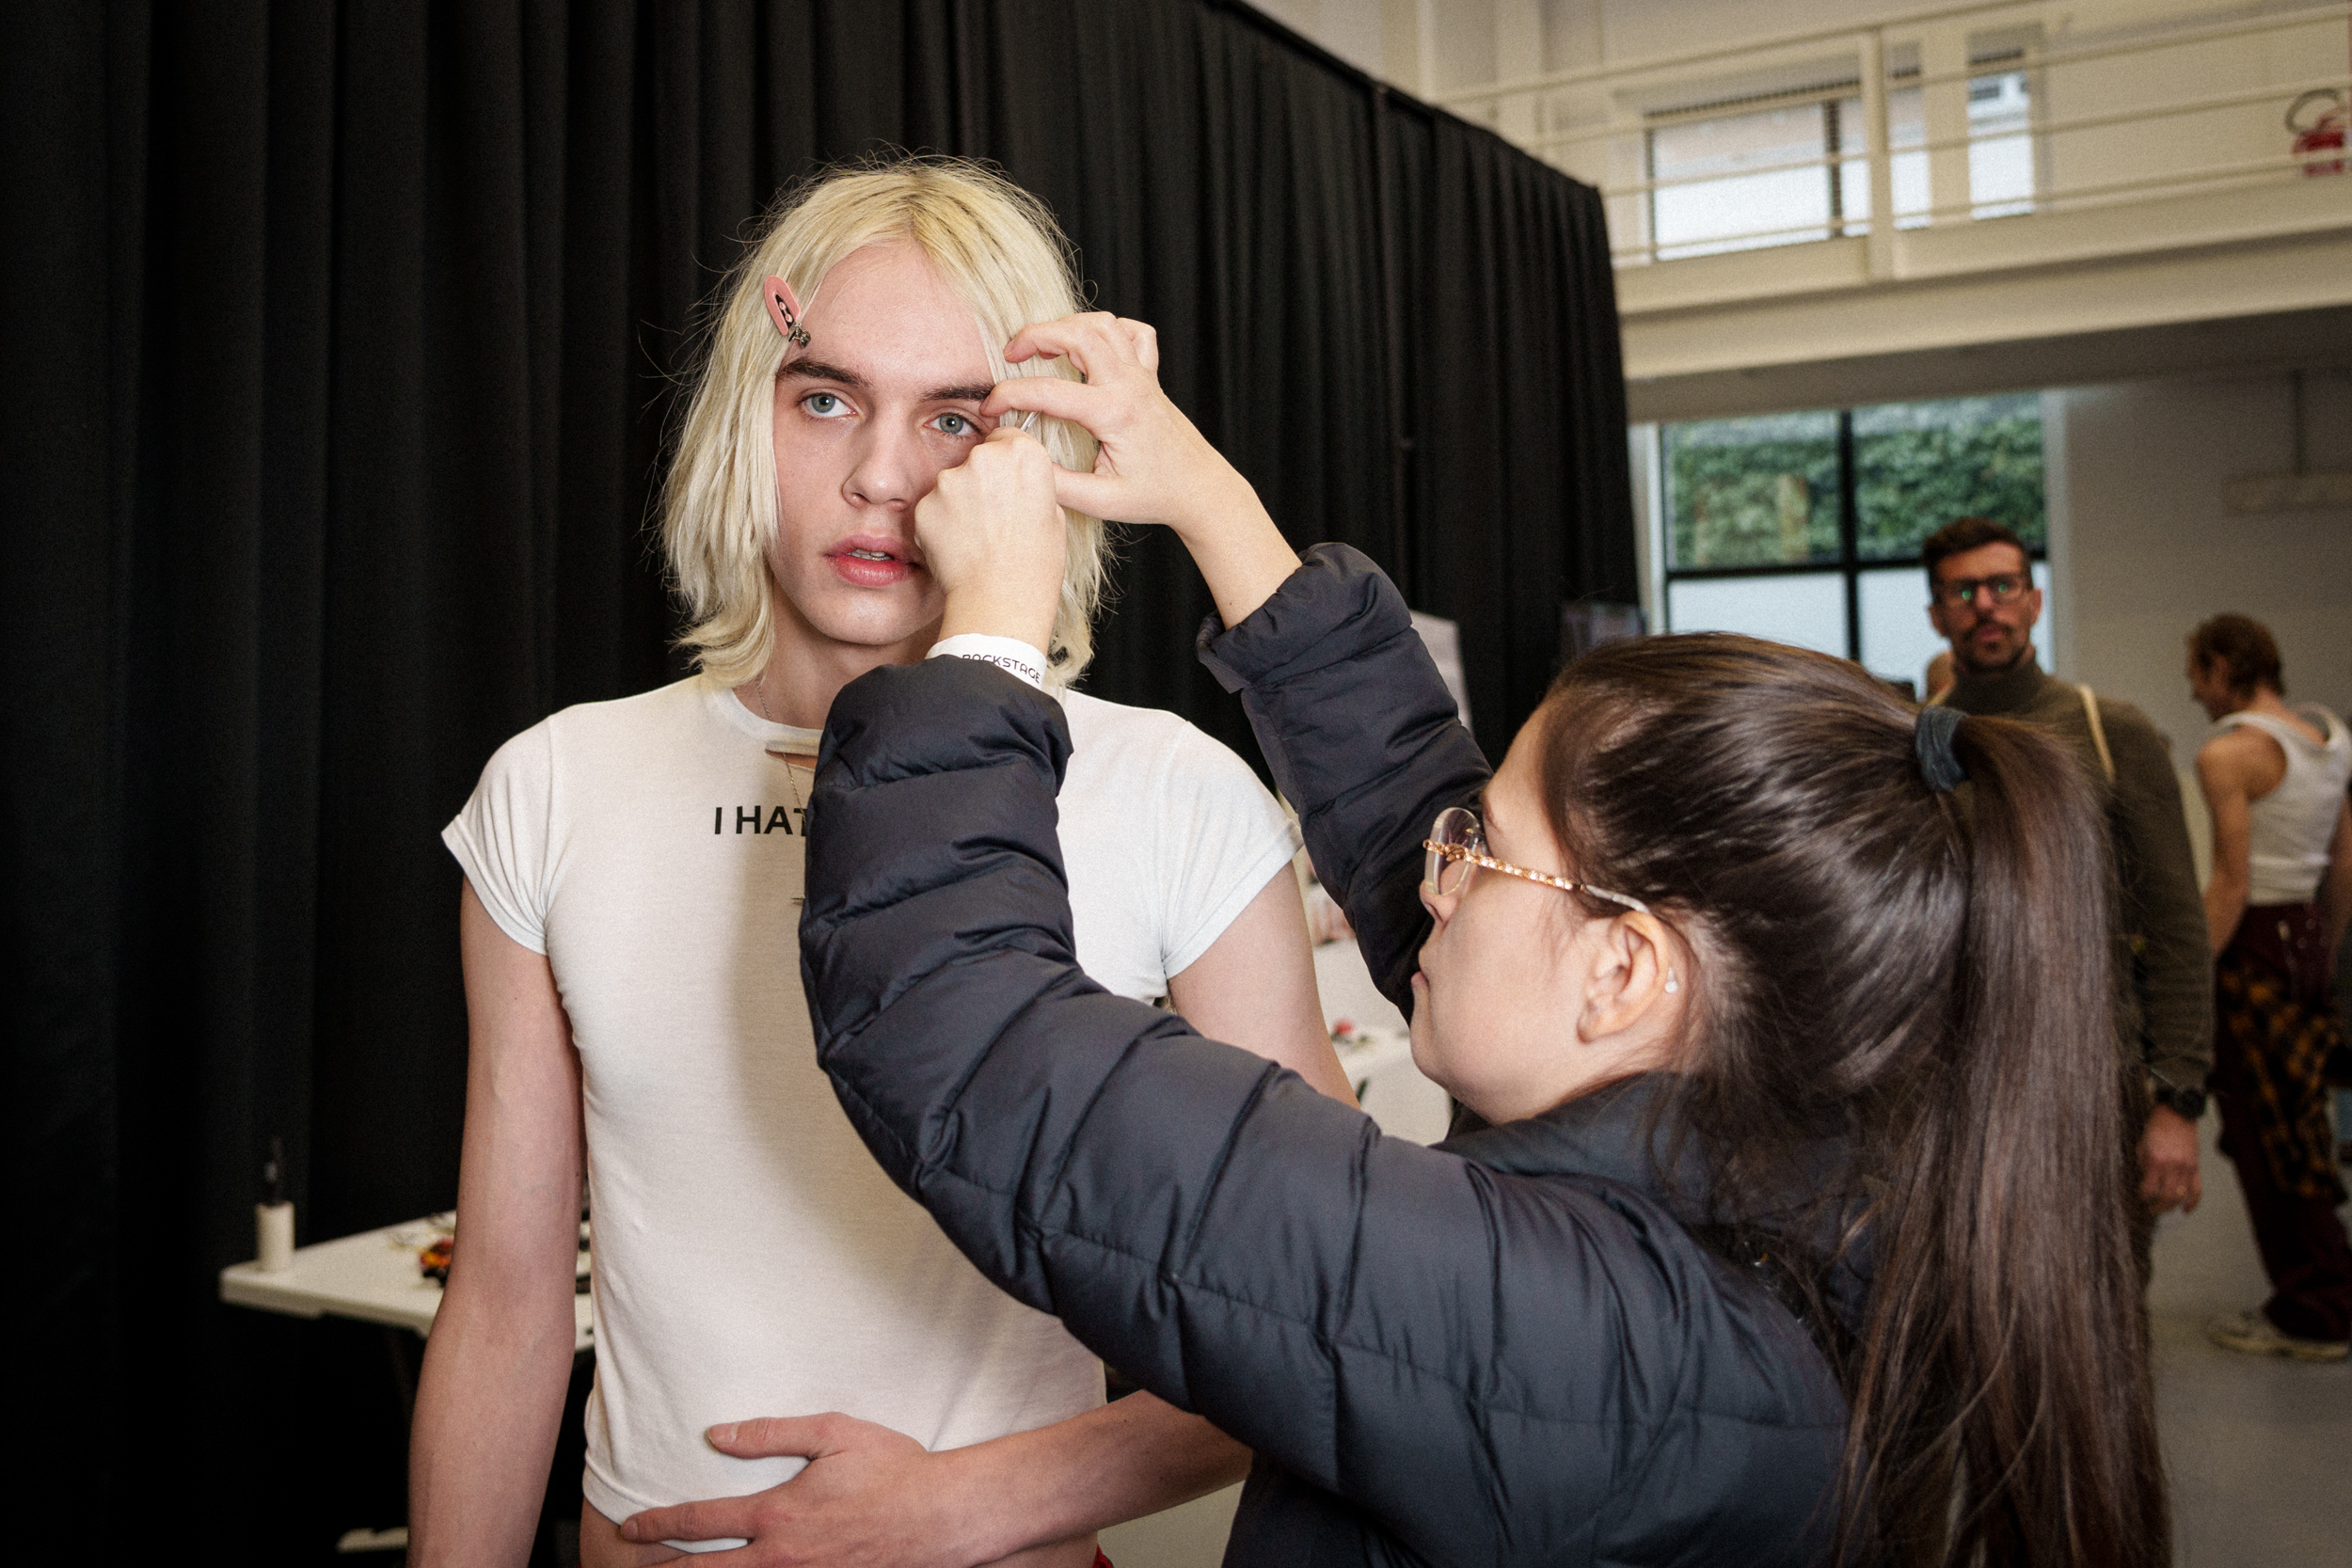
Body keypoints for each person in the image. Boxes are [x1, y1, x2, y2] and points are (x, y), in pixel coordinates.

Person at [760, 312, 2169, 1565]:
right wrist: (1204, 495)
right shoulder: (1779, 1172)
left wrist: (992, 639)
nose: (1434, 876)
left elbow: (981, 1043)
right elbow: (1417, 821)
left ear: (1623, 971)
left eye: (1480, 854)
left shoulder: (1568, 1342)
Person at [408, 161, 1355, 1568]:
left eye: (957, 417)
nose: (881, 475)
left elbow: (1329, 1322)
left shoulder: (1172, 794)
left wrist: (968, 1499)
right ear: (752, 411)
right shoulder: (554, 787)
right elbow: (504, 1299)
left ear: (1034, 449)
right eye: (828, 397)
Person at [1921, 515, 2212, 1221]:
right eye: (1963, 592)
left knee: (2104, 1307)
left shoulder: (2113, 731)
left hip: (2098, 1079)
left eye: (2002, 585)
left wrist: (2176, 1100)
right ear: (1937, 615)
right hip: (1958, 1091)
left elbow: (2177, 927)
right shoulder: (1916, 745)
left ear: (2034, 600)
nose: (1984, 604)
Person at [2186, 613, 2352, 1360]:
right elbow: (2344, 868)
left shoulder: (2230, 753)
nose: (2193, 691)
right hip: (2306, 939)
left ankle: (2315, 1306)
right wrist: (2324, 952)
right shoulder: (2330, 739)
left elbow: (2231, 880)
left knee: (2268, 1136)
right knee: (2301, 1126)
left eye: (2196, 672)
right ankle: (2318, 1292)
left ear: (2223, 666)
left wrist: (2188, 977)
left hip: (2251, 942)